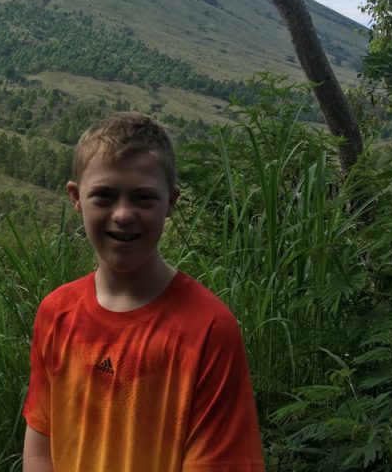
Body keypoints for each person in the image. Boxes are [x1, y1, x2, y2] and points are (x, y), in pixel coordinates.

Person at [22, 112, 265, 471]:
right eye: (104, 196)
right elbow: (41, 447)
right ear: (76, 197)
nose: (122, 214)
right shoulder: (56, 313)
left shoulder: (207, 330)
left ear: (171, 202)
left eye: (143, 198)